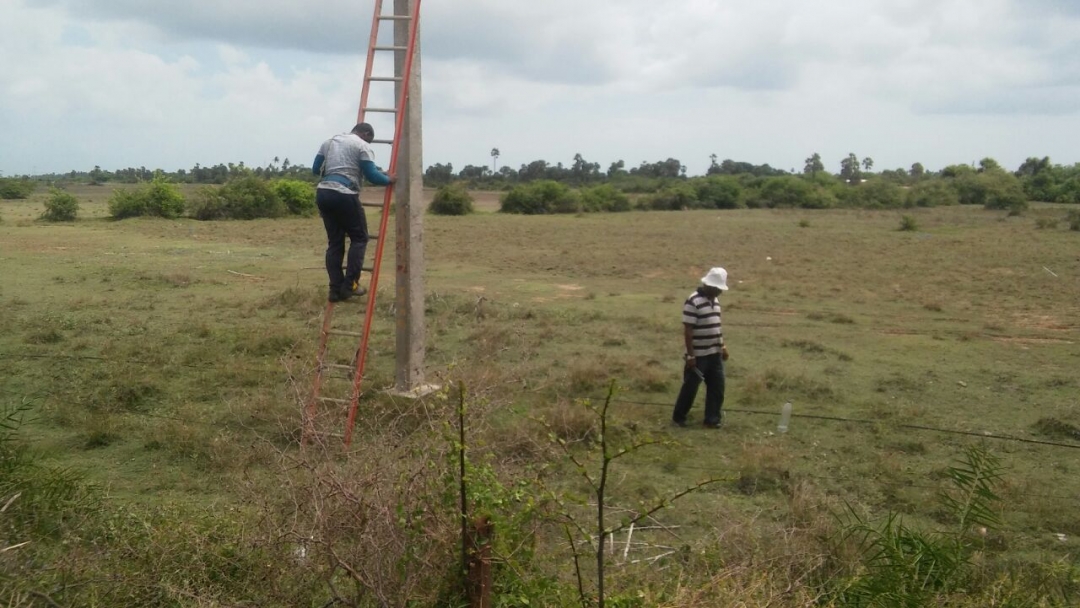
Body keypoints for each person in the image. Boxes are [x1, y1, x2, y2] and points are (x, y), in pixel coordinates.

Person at [311, 122, 394, 303]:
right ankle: (350, 286)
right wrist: (389, 179)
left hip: (323, 193)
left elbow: (315, 169)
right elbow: (373, 176)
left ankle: (335, 289)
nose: (369, 143)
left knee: (335, 243)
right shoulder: (362, 145)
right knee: (359, 238)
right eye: (370, 140)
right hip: (345, 194)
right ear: (365, 134)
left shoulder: (329, 142)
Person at [672, 267, 729, 429]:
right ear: (709, 286)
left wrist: (722, 346)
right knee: (690, 387)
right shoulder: (693, 301)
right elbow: (688, 331)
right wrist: (691, 356)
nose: (719, 292)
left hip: (714, 353)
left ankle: (711, 420)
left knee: (717, 387)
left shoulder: (715, 301)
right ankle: (679, 418)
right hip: (698, 355)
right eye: (718, 289)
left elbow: (716, 326)